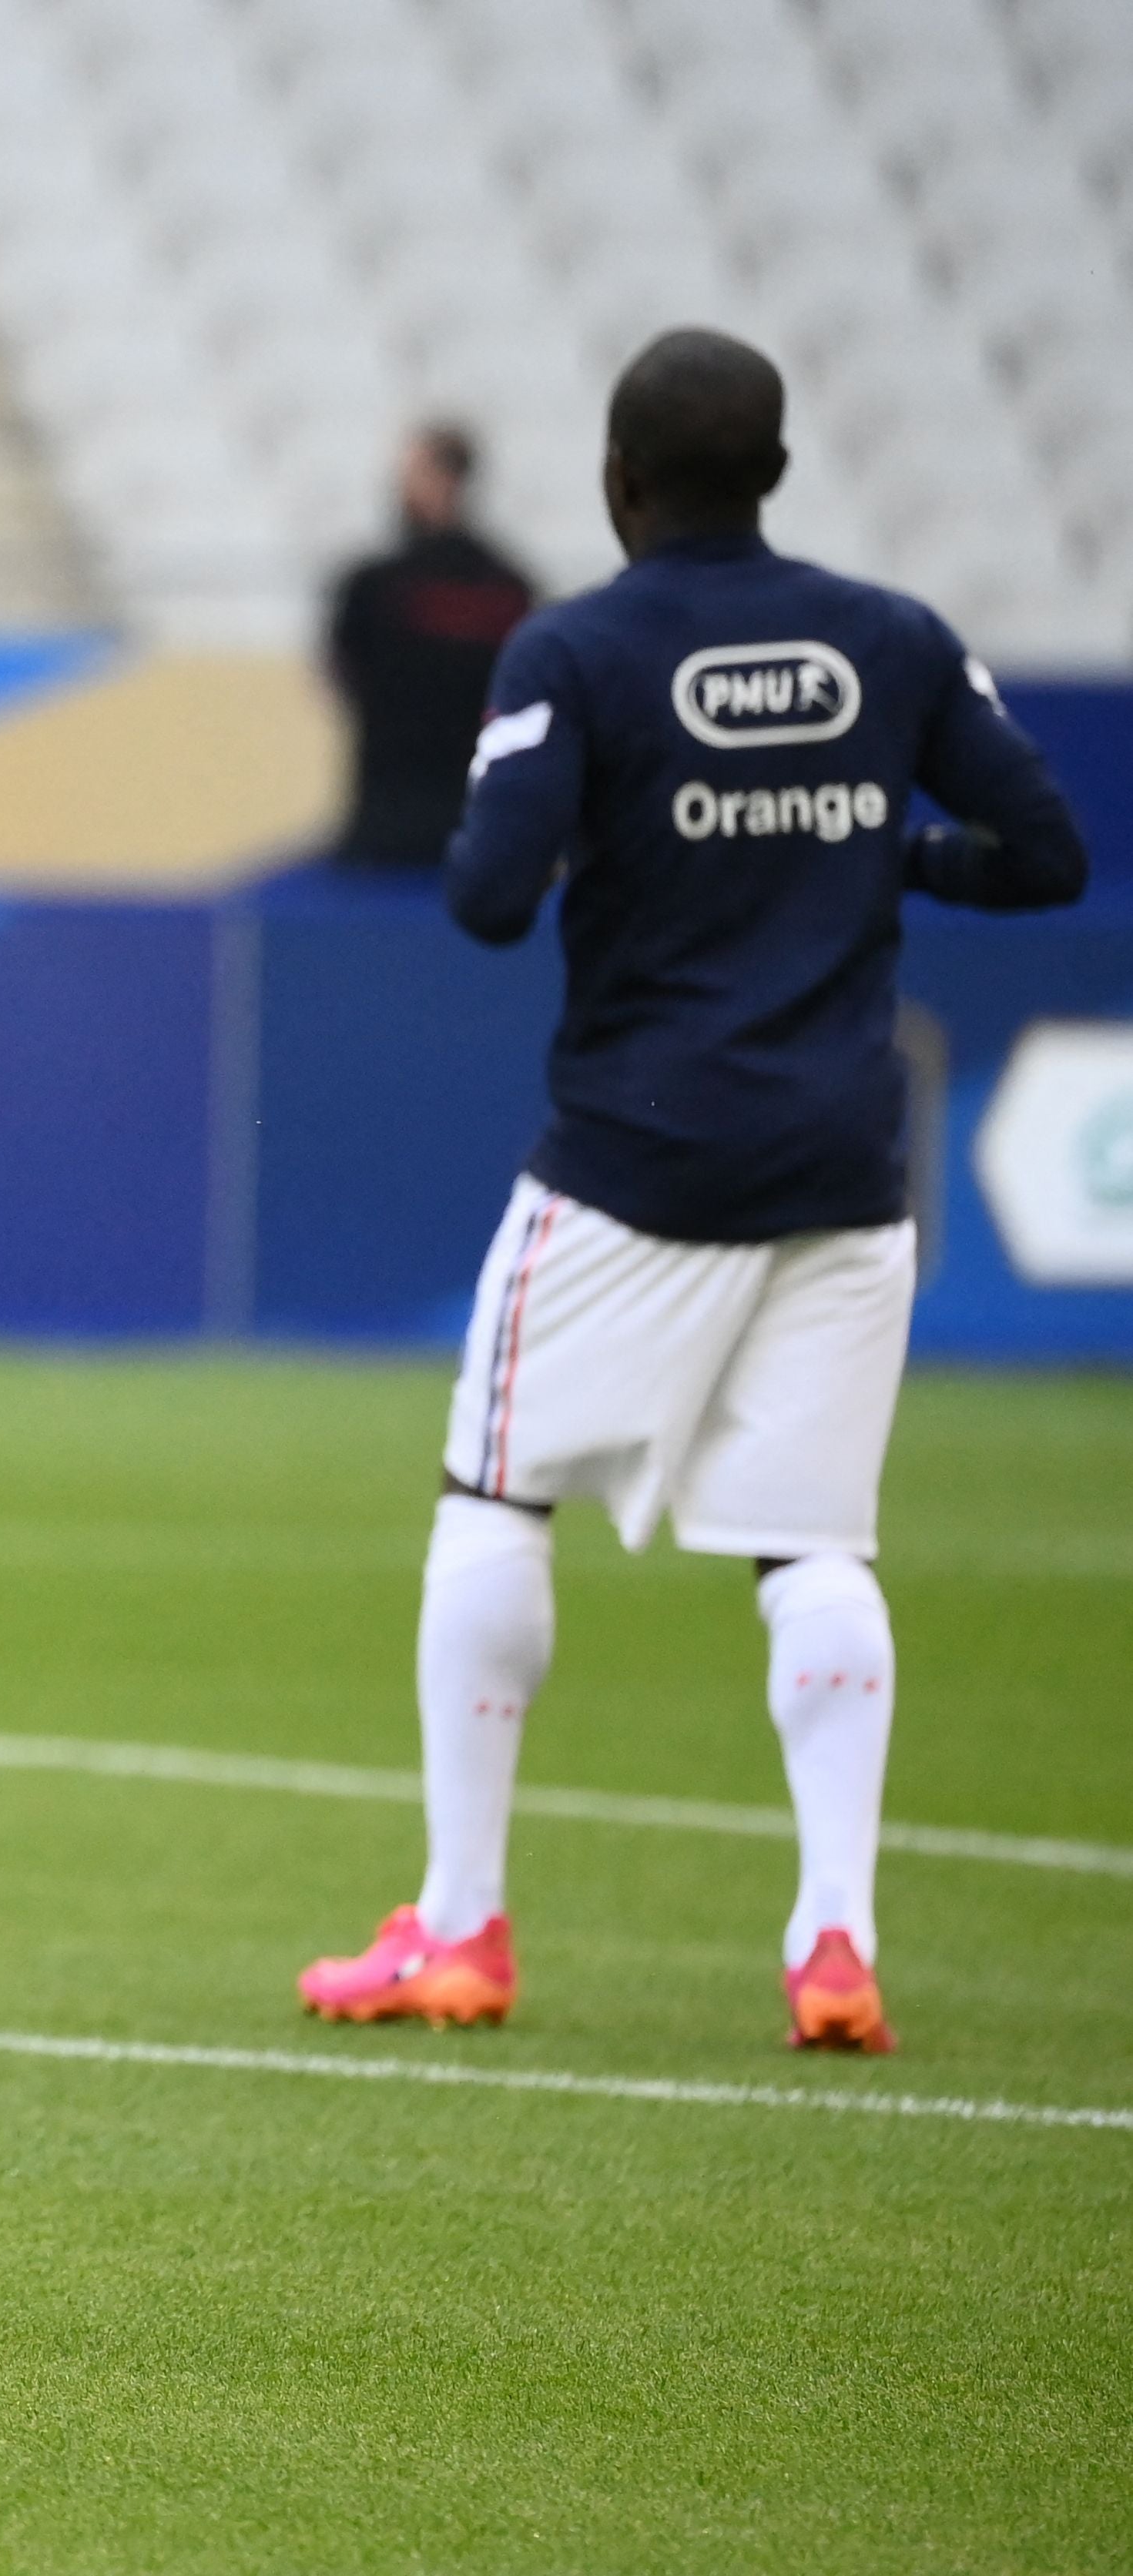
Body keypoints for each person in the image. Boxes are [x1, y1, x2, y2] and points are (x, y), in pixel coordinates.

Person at [297, 330, 1087, 2055]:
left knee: (493, 1497)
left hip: (634, 1160)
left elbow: (489, 899)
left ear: (615, 484)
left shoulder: (576, 649)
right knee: (812, 1541)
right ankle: (833, 1943)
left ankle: (458, 1923)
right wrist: (892, 850)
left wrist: (594, 829)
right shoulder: (891, 638)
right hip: (838, 1172)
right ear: (779, 475)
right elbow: (1047, 853)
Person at [323, 424, 536, 869]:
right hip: (440, 816)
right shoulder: (507, 585)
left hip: (406, 820)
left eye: (412, 471)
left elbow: (342, 674)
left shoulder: (376, 587)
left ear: (446, 478)